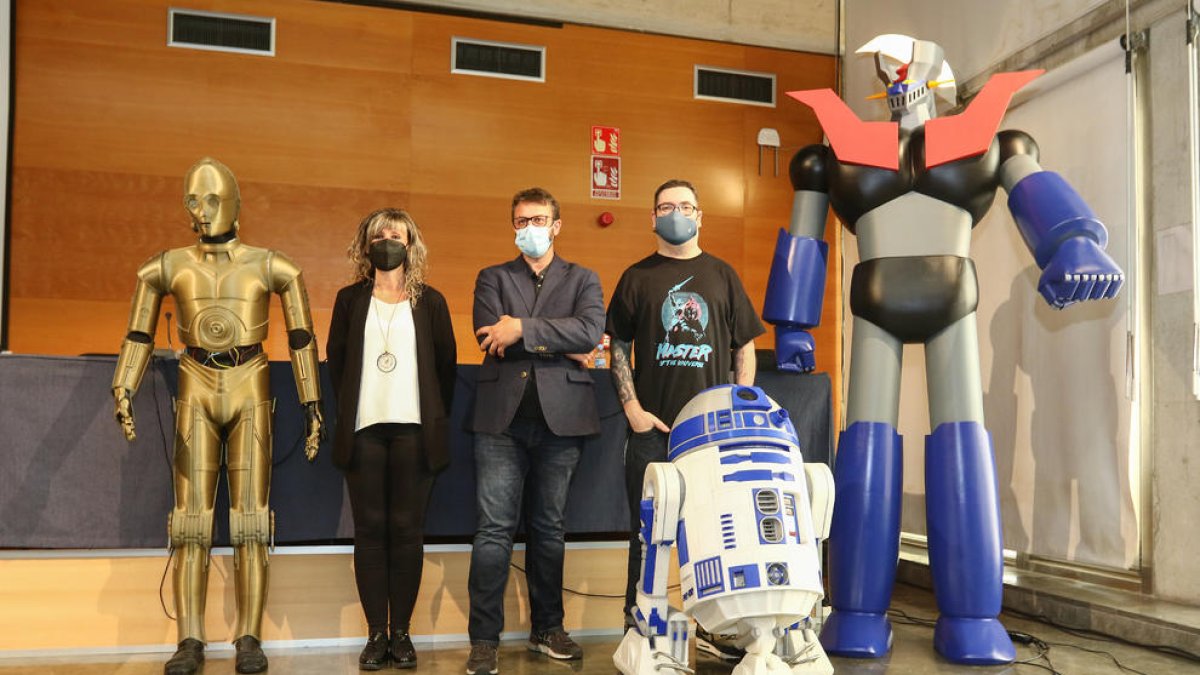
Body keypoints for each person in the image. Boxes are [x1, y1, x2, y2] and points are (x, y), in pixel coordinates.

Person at [111, 157, 324, 675]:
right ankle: (190, 639)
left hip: (250, 381)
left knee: (252, 520)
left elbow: (301, 337)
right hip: (195, 382)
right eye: (191, 200)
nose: (200, 211)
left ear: (234, 203)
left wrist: (311, 401)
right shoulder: (166, 266)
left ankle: (248, 637)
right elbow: (138, 333)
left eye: (209, 199)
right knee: (190, 523)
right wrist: (124, 384)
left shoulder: (273, 265)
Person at [606, 178, 766, 660]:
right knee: (647, 535)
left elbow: (746, 348)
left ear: (700, 216)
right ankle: (640, 631)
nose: (677, 212)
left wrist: (739, 406)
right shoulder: (636, 277)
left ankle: (718, 631)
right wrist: (632, 410)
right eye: (667, 206)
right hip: (653, 432)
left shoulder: (723, 275)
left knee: (717, 532)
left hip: (712, 434)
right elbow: (617, 346)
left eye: (686, 206)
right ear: (652, 217)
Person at [464, 187, 605, 675]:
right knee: (493, 533)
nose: (530, 227)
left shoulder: (584, 278)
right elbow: (489, 334)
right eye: (522, 220)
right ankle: (484, 640)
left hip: (562, 422)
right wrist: (555, 337)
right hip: (500, 423)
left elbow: (589, 333)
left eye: (539, 219)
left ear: (557, 224)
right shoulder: (493, 277)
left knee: (549, 531)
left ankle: (548, 628)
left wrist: (522, 329)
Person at [326, 208, 457, 671]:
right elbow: (336, 364)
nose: (387, 241)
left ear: (411, 243)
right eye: (379, 234)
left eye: (395, 234)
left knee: (406, 531)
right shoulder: (349, 300)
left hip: (415, 433)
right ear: (366, 244)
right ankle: (374, 634)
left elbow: (446, 370)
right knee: (369, 532)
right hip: (364, 430)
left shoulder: (432, 302)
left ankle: (401, 633)